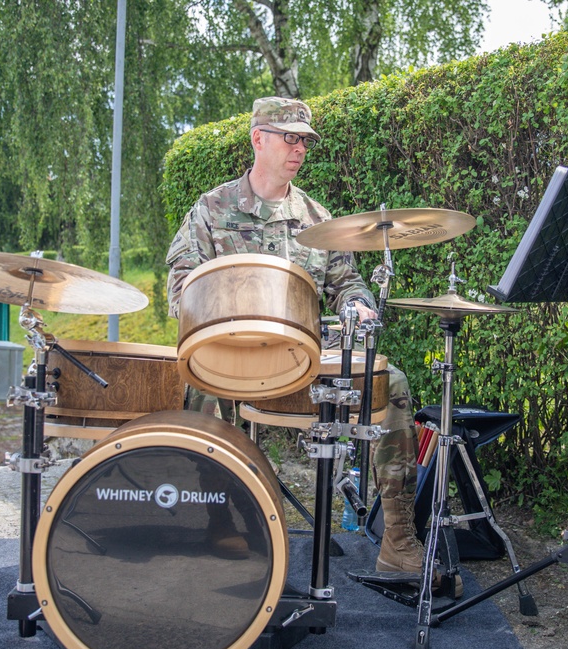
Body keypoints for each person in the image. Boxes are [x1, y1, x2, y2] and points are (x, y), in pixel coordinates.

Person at [165, 97, 433, 579]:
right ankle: (221, 517)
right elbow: (181, 285)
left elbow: (344, 280)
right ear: (257, 139)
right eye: (289, 137)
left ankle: (398, 537)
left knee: (389, 382)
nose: (300, 148)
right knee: (196, 383)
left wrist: (356, 302)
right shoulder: (210, 209)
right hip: (237, 353)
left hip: (303, 357)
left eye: (305, 140)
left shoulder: (317, 218)